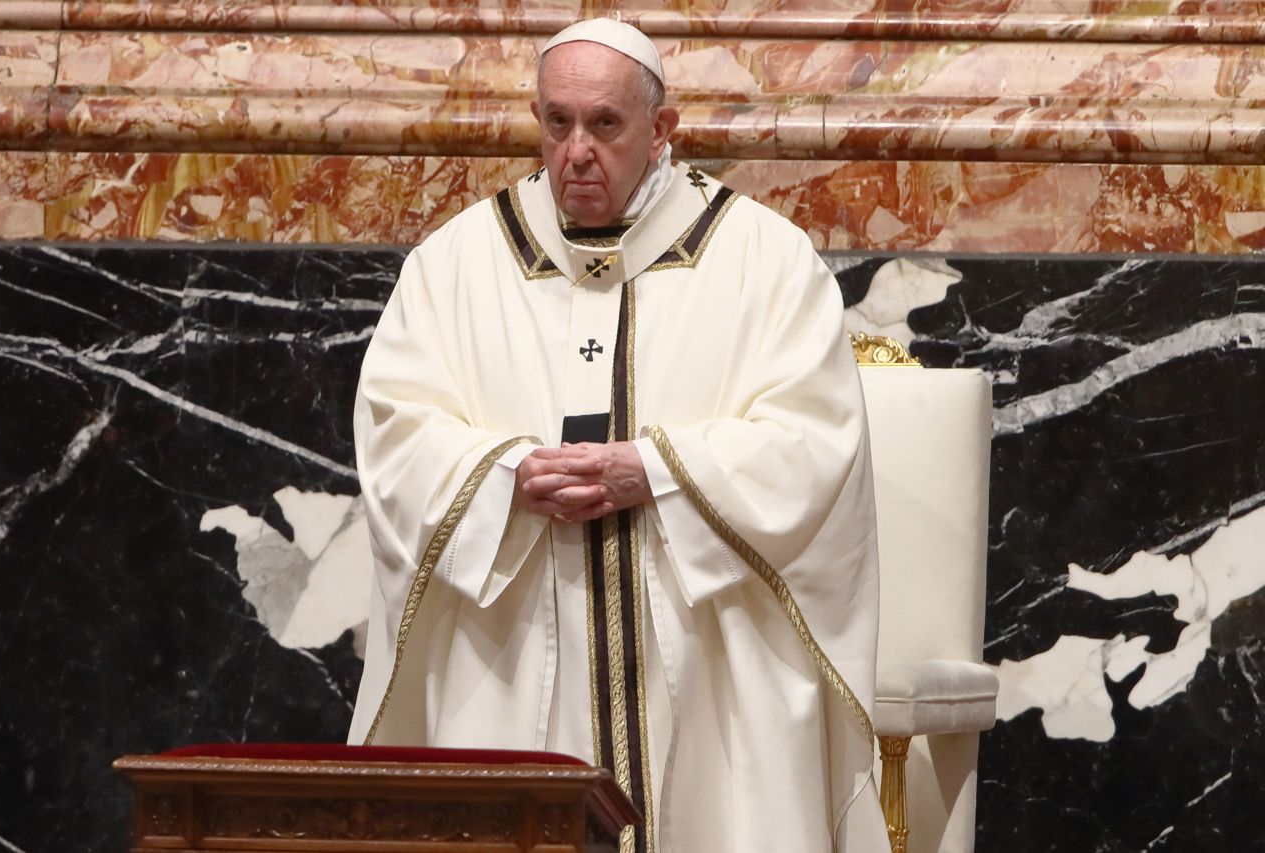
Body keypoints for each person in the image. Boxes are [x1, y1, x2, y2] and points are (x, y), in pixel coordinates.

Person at [348, 17, 889, 853]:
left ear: (661, 129)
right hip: (516, 644)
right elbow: (395, 429)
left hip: (706, 656)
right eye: (556, 122)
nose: (576, 151)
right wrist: (503, 478)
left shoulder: (762, 260)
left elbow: (813, 439)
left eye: (605, 124)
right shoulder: (456, 263)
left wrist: (660, 470)